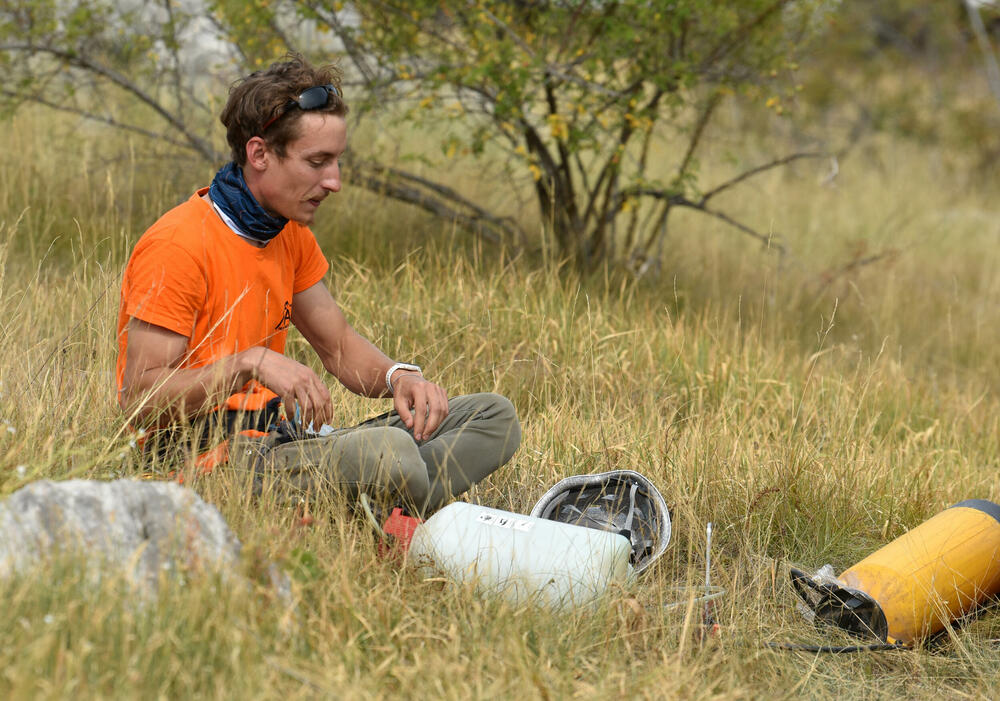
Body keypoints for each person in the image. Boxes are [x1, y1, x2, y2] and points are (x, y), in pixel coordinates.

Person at [115, 54, 521, 514]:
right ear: (260, 154)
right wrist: (249, 364)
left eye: (337, 161)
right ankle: (387, 510)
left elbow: (341, 349)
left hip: (286, 445)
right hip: (206, 465)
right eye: (317, 162)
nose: (334, 181)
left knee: (493, 418)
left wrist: (399, 376)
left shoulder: (289, 233)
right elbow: (140, 401)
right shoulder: (177, 244)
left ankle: (381, 508)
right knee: (390, 453)